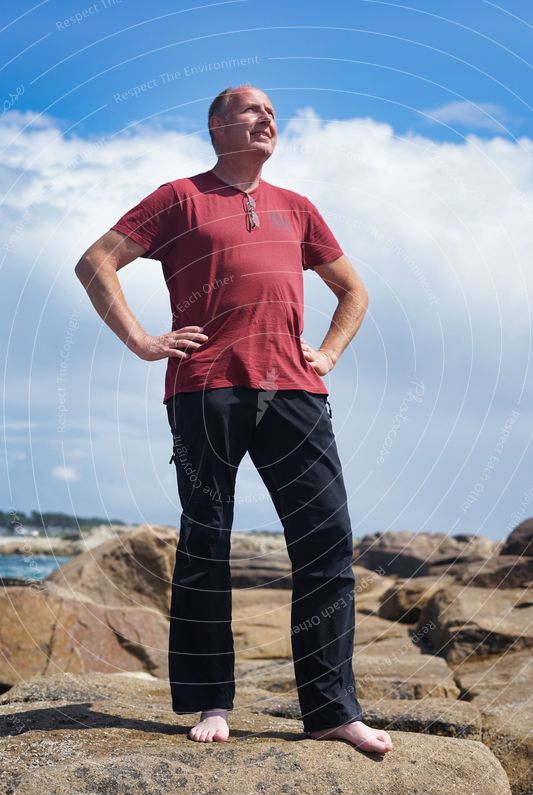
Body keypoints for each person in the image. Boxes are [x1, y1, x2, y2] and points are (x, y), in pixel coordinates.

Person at [75, 84, 392, 754]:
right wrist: (140, 339)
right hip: (204, 387)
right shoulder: (176, 199)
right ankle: (208, 699)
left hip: (295, 391)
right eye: (251, 110)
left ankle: (332, 707)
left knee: (326, 543)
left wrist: (329, 351)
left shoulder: (298, 208)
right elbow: (95, 261)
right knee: (204, 540)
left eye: (272, 112)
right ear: (216, 126)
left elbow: (352, 290)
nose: (266, 118)